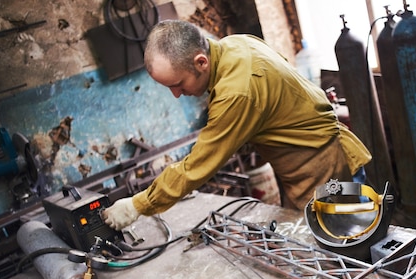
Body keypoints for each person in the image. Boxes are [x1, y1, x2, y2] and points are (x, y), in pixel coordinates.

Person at [102, 19, 372, 231]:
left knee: (345, 253)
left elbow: (198, 166)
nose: (176, 94)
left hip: (322, 168)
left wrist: (139, 204)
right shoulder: (236, 44)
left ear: (201, 61)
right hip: (309, 160)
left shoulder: (236, 93)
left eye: (178, 84)